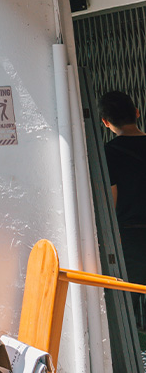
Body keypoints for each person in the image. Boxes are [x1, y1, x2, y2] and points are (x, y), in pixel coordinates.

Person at [102, 90, 146, 326]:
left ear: (105, 122)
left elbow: (112, 202)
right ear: (137, 113)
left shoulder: (109, 154)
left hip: (130, 240)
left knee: (131, 308)